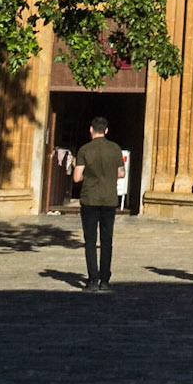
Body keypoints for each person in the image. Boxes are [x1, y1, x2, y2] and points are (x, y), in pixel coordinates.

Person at [73, 116, 123, 291]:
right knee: (107, 240)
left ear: (91, 129)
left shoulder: (85, 149)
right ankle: (105, 280)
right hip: (109, 198)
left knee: (91, 240)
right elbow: (121, 173)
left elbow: (76, 177)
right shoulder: (115, 148)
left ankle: (93, 279)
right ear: (106, 130)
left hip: (90, 198)